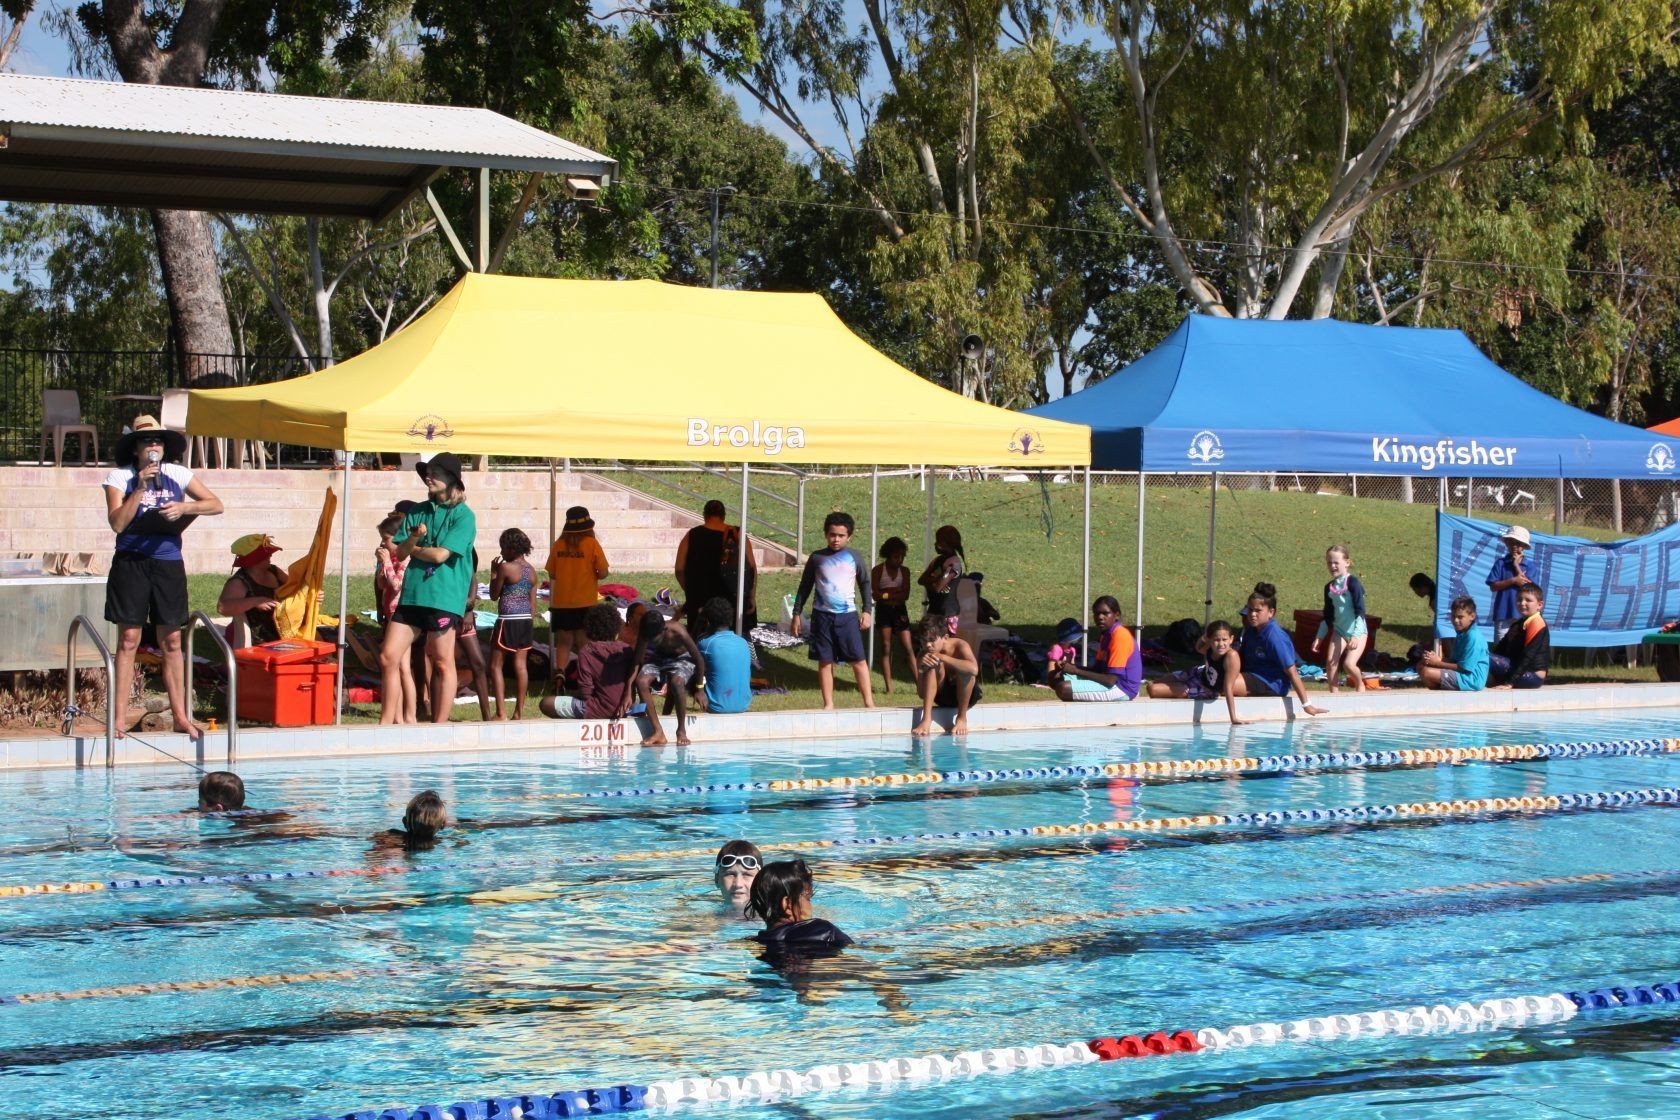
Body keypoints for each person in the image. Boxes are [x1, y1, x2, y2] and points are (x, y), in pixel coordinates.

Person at [102, 415, 225, 740]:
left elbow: (215, 504)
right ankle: (117, 719)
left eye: (157, 441)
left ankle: (182, 717)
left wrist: (184, 509)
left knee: (171, 641)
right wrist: (140, 488)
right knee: (128, 640)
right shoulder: (120, 477)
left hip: (167, 564)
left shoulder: (178, 474)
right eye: (146, 441)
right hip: (131, 563)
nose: (153, 446)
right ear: (136, 449)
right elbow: (117, 523)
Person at [380, 453, 476, 725]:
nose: (428, 477)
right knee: (388, 656)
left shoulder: (464, 516)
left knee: (442, 660)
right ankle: (386, 723)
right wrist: (413, 537)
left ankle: (440, 726)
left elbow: (440, 556)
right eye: (427, 472)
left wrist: (416, 547)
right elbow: (399, 552)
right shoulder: (418, 510)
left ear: (452, 480)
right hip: (412, 595)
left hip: (444, 597)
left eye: (435, 472)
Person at [790, 512, 875, 709]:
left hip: (847, 617)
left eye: (841, 535)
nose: (836, 539)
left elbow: (865, 584)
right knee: (825, 661)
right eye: (832, 534)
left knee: (858, 660)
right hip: (822, 618)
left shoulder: (854, 557)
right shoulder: (817, 558)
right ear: (826, 534)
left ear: (849, 536)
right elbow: (804, 587)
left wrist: (867, 611)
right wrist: (796, 614)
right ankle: (828, 703)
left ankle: (869, 702)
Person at [1235, 582, 1327, 715]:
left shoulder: (1275, 637)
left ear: (1271, 612)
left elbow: (1292, 671)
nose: (1252, 614)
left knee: (1225, 685)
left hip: (1271, 682)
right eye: (1250, 610)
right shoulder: (1251, 630)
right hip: (1251, 675)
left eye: (1258, 611)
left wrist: (1307, 705)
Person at [545, 506, 610, 691]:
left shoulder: (558, 545)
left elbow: (552, 573)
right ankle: (586, 678)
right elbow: (603, 572)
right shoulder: (592, 544)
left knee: (564, 641)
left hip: (561, 602)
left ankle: (560, 673)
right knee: (583, 642)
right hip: (585, 602)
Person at [539, 602, 636, 719]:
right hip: (625, 708)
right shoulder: (626, 649)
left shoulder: (587, 652)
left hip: (596, 710)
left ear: (589, 626)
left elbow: (586, 692)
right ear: (615, 627)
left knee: (546, 703)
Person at [675, 499, 758, 634]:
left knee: (700, 637)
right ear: (724, 515)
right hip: (732, 598)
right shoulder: (737, 534)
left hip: (701, 599)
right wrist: (751, 597)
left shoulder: (692, 535)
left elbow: (679, 569)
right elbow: (752, 569)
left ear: (704, 515)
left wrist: (690, 590)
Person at [747, 858, 853, 959]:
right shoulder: (824, 931)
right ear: (787, 904)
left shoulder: (755, 942)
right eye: (808, 899)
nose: (810, 906)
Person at [1148, 619, 1247, 724]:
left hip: (1207, 688)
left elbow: (1228, 688)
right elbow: (1198, 648)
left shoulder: (1231, 656)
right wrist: (1205, 636)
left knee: (1152, 689)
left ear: (1231, 639)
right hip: (1198, 673)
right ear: (1209, 640)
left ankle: (1181, 687)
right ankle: (1180, 685)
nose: (1221, 644)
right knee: (1155, 682)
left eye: (1224, 639)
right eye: (1216, 640)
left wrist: (1233, 718)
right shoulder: (1210, 647)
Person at [632, 611, 707, 746]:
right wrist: (627, 690)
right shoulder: (646, 633)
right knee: (641, 681)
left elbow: (699, 660)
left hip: (681, 658)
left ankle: (681, 730)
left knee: (677, 682)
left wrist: (699, 688)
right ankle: (658, 731)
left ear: (664, 629)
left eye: (655, 640)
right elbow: (636, 661)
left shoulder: (679, 632)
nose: (651, 642)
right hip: (659, 657)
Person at [1051, 597, 1142, 703]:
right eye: (1096, 614)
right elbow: (1097, 670)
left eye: (1105, 613)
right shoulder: (1106, 636)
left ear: (1116, 615)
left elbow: (1110, 680)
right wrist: (1070, 667)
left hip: (1122, 689)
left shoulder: (1120, 636)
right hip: (1110, 683)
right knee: (1055, 677)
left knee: (1064, 688)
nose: (1100, 617)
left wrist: (1075, 670)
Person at [489, 529, 537, 720]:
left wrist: (493, 573)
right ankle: (519, 712)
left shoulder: (506, 568)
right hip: (526, 621)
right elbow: (533, 605)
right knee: (521, 666)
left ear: (511, 547)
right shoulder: (531, 571)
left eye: (503, 548)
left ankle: (501, 713)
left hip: (507, 620)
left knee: (495, 666)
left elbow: (494, 595)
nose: (501, 553)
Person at [1311, 545, 1368, 693]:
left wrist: (1356, 635)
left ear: (1347, 562)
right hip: (1340, 630)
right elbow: (1328, 616)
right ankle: (1334, 695)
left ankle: (1360, 683)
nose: (1332, 566)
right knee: (1331, 663)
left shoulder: (1353, 583)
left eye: (1336, 562)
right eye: (1329, 562)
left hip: (1358, 630)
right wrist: (1319, 637)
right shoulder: (1329, 587)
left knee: (1349, 665)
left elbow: (1360, 612)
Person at [912, 614, 979, 737]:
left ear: (945, 638)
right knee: (933, 665)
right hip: (942, 696)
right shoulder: (924, 654)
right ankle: (926, 719)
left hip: (966, 697)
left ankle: (962, 718)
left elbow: (974, 669)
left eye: (932, 640)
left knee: (966, 672)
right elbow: (922, 693)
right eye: (924, 640)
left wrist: (943, 657)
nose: (927, 645)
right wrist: (921, 668)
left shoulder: (960, 646)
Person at [216, 534, 286, 649]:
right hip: (261, 638)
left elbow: (295, 589)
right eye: (265, 555)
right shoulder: (239, 581)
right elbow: (223, 607)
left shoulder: (274, 571)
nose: (270, 556)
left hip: (286, 629)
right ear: (253, 560)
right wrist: (256, 601)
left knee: (324, 637)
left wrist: (313, 595)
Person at [871, 537, 916, 694]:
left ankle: (919, 683)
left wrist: (886, 593)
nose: (900, 560)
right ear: (888, 555)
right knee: (886, 647)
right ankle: (889, 687)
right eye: (897, 556)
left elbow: (905, 595)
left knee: (908, 647)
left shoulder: (904, 571)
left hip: (899, 610)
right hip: (883, 611)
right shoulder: (878, 570)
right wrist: (890, 594)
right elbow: (875, 594)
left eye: (902, 556)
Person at [696, 597, 753, 714]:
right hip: (744, 706)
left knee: (689, 667)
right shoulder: (743, 642)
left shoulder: (706, 644)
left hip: (716, 707)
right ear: (731, 620)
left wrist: (698, 621)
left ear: (707, 621)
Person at [1421, 596, 1489, 691]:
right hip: (1462, 675)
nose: (1456, 620)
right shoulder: (1462, 633)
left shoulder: (1473, 637)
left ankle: (1444, 697)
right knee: (1421, 665)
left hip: (1471, 680)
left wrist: (1437, 663)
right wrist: (1437, 658)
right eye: (1453, 616)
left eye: (1460, 617)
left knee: (1427, 673)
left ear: (1472, 616)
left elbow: (1464, 668)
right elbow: (1454, 661)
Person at [1488, 582, 1549, 689]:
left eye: (1528, 600)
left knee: (1483, 657)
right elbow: (1500, 649)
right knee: (1480, 655)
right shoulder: (1518, 624)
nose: (1522, 603)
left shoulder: (1537, 623)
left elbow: (1528, 656)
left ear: (1540, 605)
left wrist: (1509, 683)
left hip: (1533, 677)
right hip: (1520, 672)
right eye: (1519, 599)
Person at [918, 524, 966, 632]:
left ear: (948, 543)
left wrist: (931, 581)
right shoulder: (937, 560)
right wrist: (936, 579)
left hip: (948, 615)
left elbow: (938, 588)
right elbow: (921, 580)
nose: (936, 544)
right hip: (934, 612)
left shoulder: (954, 563)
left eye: (939, 541)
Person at [1486, 526, 1532, 637]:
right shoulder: (1500, 563)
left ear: (1524, 546)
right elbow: (1493, 586)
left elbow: (1530, 588)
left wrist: (1516, 565)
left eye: (1519, 542)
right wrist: (1513, 580)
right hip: (1503, 613)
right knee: (1501, 650)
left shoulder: (1530, 566)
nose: (1515, 546)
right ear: (1506, 542)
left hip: (1523, 615)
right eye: (1511, 542)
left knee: (1519, 650)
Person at [370, 790, 448, 851]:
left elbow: (371, 838)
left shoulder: (392, 835)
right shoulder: (440, 842)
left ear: (404, 822)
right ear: (443, 824)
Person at [714, 839, 762, 911]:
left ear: (761, 881)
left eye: (747, 875)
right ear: (717, 879)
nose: (738, 884)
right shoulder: (703, 917)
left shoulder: (774, 916)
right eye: (730, 874)